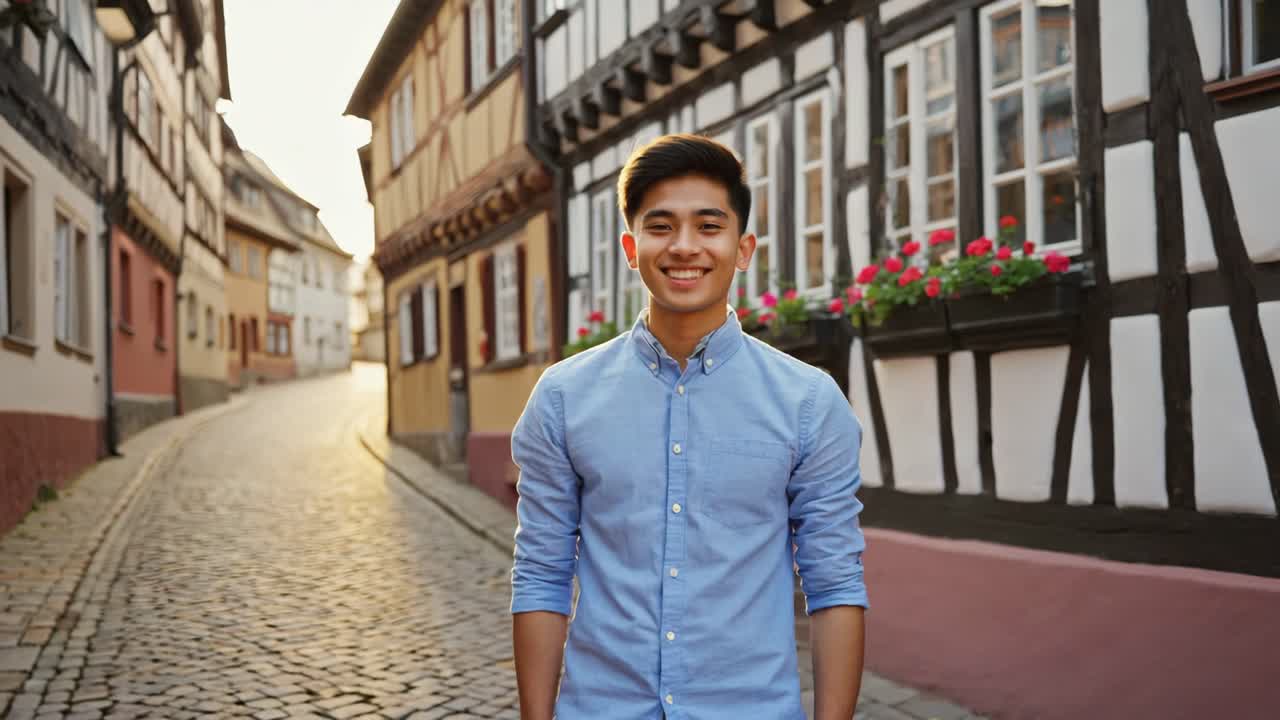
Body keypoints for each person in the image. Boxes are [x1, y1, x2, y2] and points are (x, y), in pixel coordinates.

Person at [510, 134, 868, 720]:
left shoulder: (808, 402)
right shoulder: (563, 398)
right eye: (660, 226)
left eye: (708, 226)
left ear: (743, 247)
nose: (684, 247)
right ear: (630, 247)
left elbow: (835, 584)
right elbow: (543, 574)